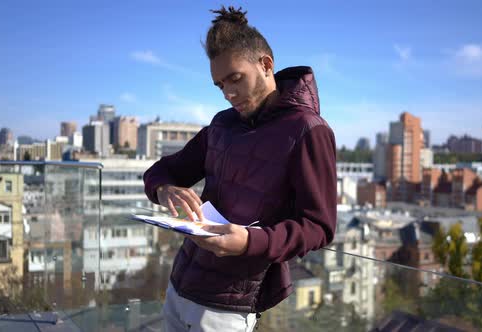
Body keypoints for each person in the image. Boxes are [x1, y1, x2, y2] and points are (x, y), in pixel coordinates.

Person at [143, 6, 337, 331]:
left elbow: (319, 227)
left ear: (266, 65)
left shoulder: (308, 130)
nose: (229, 93)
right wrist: (166, 190)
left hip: (227, 307)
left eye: (235, 78)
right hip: (179, 285)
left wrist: (249, 241)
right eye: (220, 85)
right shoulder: (222, 124)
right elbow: (160, 171)